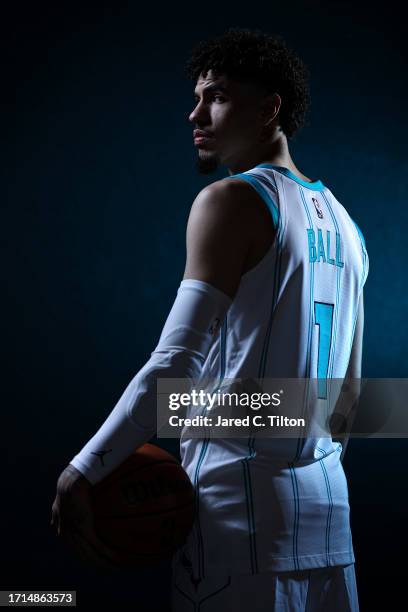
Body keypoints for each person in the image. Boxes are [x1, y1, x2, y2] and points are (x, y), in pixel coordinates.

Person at [50, 27, 368, 611]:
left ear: (270, 107)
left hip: (239, 534)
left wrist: (86, 467)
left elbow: (174, 364)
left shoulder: (231, 201)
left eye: (216, 96)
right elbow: (347, 399)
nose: (196, 112)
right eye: (197, 96)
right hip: (331, 531)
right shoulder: (348, 227)